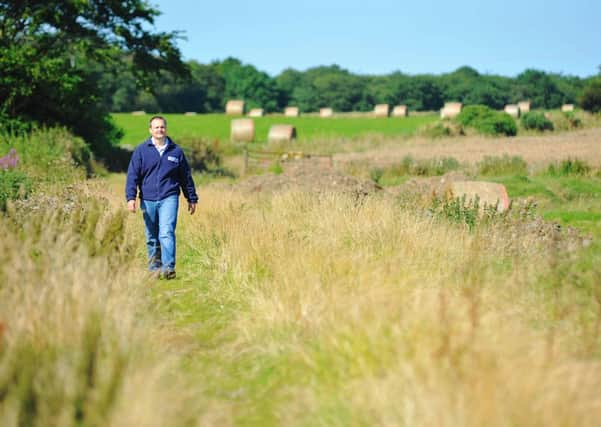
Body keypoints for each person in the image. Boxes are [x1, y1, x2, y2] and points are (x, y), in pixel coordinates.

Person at [125, 116, 198, 279]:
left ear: (166, 129)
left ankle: (169, 268)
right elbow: (132, 176)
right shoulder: (141, 151)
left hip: (169, 197)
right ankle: (154, 269)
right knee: (152, 236)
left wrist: (191, 198)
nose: (160, 130)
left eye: (162, 127)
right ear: (150, 130)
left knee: (166, 232)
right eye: (156, 127)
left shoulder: (176, 151)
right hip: (148, 198)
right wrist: (131, 198)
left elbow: (185, 177)